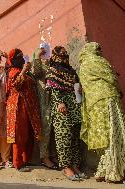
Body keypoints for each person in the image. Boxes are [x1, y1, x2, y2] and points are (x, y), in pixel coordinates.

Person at [78, 42, 125, 183]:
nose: (100, 52)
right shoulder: (99, 61)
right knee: (115, 135)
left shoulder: (82, 66)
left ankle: (102, 171)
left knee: (103, 138)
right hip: (108, 101)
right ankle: (114, 173)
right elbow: (112, 77)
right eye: (99, 49)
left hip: (93, 106)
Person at [45, 46, 83, 181]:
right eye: (61, 54)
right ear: (55, 56)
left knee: (74, 136)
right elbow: (54, 89)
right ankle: (66, 166)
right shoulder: (52, 70)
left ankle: (74, 164)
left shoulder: (71, 71)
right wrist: (60, 102)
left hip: (74, 105)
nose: (64, 56)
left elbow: (77, 85)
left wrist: (79, 91)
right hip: (62, 107)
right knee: (64, 136)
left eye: (65, 54)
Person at [6, 48, 41, 172]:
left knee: (29, 135)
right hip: (18, 106)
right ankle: (17, 163)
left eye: (22, 56)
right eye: (18, 57)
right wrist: (24, 72)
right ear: (13, 60)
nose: (21, 59)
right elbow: (16, 85)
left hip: (28, 107)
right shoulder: (12, 72)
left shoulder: (23, 71)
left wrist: (26, 71)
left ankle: (26, 160)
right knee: (19, 134)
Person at [30, 43, 59, 170]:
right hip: (43, 101)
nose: (44, 56)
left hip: (53, 99)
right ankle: (44, 157)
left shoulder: (49, 64)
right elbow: (36, 72)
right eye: (42, 54)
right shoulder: (36, 64)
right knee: (45, 128)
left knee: (53, 129)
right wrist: (37, 56)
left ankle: (52, 155)